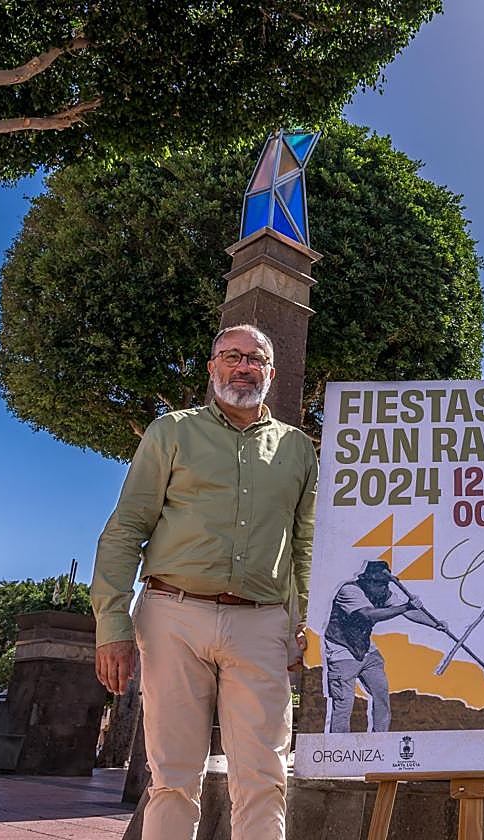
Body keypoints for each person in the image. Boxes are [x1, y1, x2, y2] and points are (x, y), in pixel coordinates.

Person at [90, 324, 316, 840]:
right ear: (212, 365)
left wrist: (304, 624)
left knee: (264, 776)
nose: (243, 367)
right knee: (171, 777)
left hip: (263, 624)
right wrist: (111, 625)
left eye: (255, 359)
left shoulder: (299, 451)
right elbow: (126, 528)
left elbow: (305, 546)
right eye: (230, 356)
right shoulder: (171, 432)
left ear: (271, 373)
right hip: (172, 614)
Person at [324, 560, 444, 733]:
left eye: (385, 583)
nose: (382, 588)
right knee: (344, 703)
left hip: (365, 649)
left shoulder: (382, 592)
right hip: (341, 650)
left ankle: (381, 739)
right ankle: (339, 746)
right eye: (379, 583)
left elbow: (409, 612)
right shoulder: (350, 591)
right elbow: (369, 615)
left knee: (381, 695)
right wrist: (405, 606)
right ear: (367, 580)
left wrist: (435, 624)